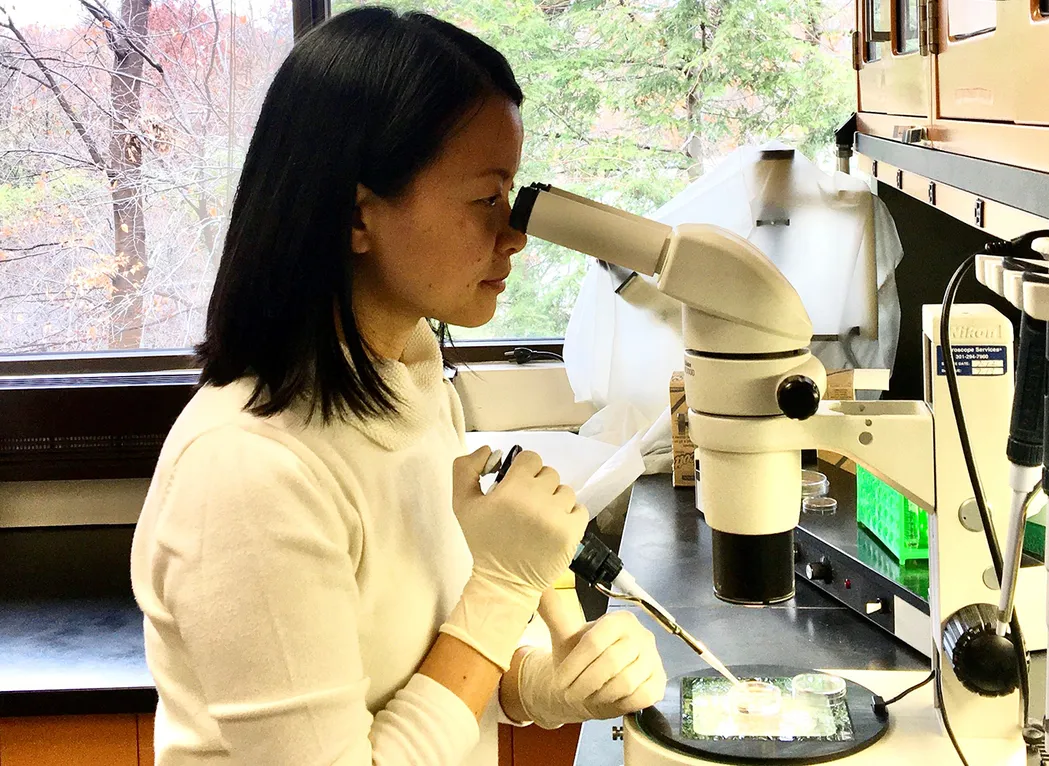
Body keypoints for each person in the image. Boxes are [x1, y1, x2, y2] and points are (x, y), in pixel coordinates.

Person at [130, 7, 667, 765]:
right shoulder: (249, 472)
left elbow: (422, 671)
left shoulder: (411, 382)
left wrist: (544, 687)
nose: (513, 234)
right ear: (358, 214)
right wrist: (503, 589)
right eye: (487, 197)